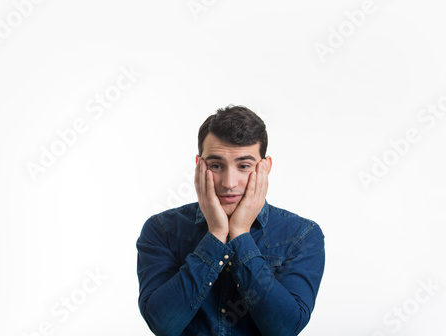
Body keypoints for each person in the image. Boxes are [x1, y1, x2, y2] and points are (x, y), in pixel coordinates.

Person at [136, 105, 325, 335]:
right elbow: (163, 325)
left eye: (244, 166)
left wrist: (240, 235)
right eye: (216, 166)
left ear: (265, 168)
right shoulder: (162, 230)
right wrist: (215, 235)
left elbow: (284, 329)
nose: (229, 182)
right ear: (199, 166)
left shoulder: (301, 235)